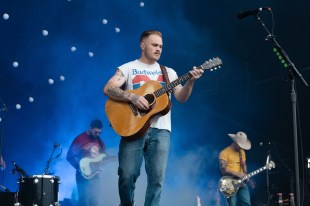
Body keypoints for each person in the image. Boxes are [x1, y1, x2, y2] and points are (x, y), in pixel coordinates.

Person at [103, 30, 204, 206]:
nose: (159, 49)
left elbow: (181, 97)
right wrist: (133, 97)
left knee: (157, 180)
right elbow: (109, 88)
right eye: (154, 45)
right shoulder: (127, 68)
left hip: (161, 131)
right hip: (132, 128)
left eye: (161, 46)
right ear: (142, 45)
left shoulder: (169, 73)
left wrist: (191, 81)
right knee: (127, 176)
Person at [66, 119, 106, 206]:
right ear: (90, 128)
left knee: (95, 200)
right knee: (83, 201)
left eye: (99, 133)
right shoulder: (79, 139)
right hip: (82, 175)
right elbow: (69, 156)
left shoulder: (100, 142)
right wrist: (79, 167)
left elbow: (103, 158)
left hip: (95, 175)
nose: (97, 134)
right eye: (96, 132)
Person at [219, 131, 252, 206]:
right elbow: (223, 171)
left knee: (247, 203)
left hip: (241, 181)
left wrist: (245, 174)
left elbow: (244, 164)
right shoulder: (224, 153)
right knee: (232, 204)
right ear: (235, 142)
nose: (241, 147)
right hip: (229, 182)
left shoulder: (242, 152)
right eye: (240, 145)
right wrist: (237, 173)